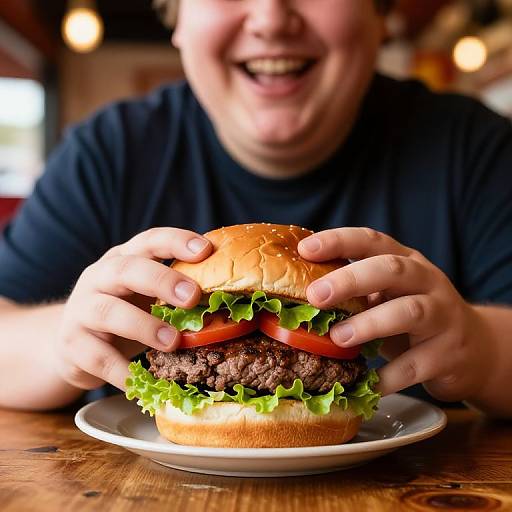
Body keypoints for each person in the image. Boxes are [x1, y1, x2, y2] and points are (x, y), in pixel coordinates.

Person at [0, 0, 511, 418]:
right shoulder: (108, 152)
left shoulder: (478, 150)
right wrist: (63, 345)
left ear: (380, 15)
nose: (270, 18)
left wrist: (483, 352)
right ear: (176, 17)